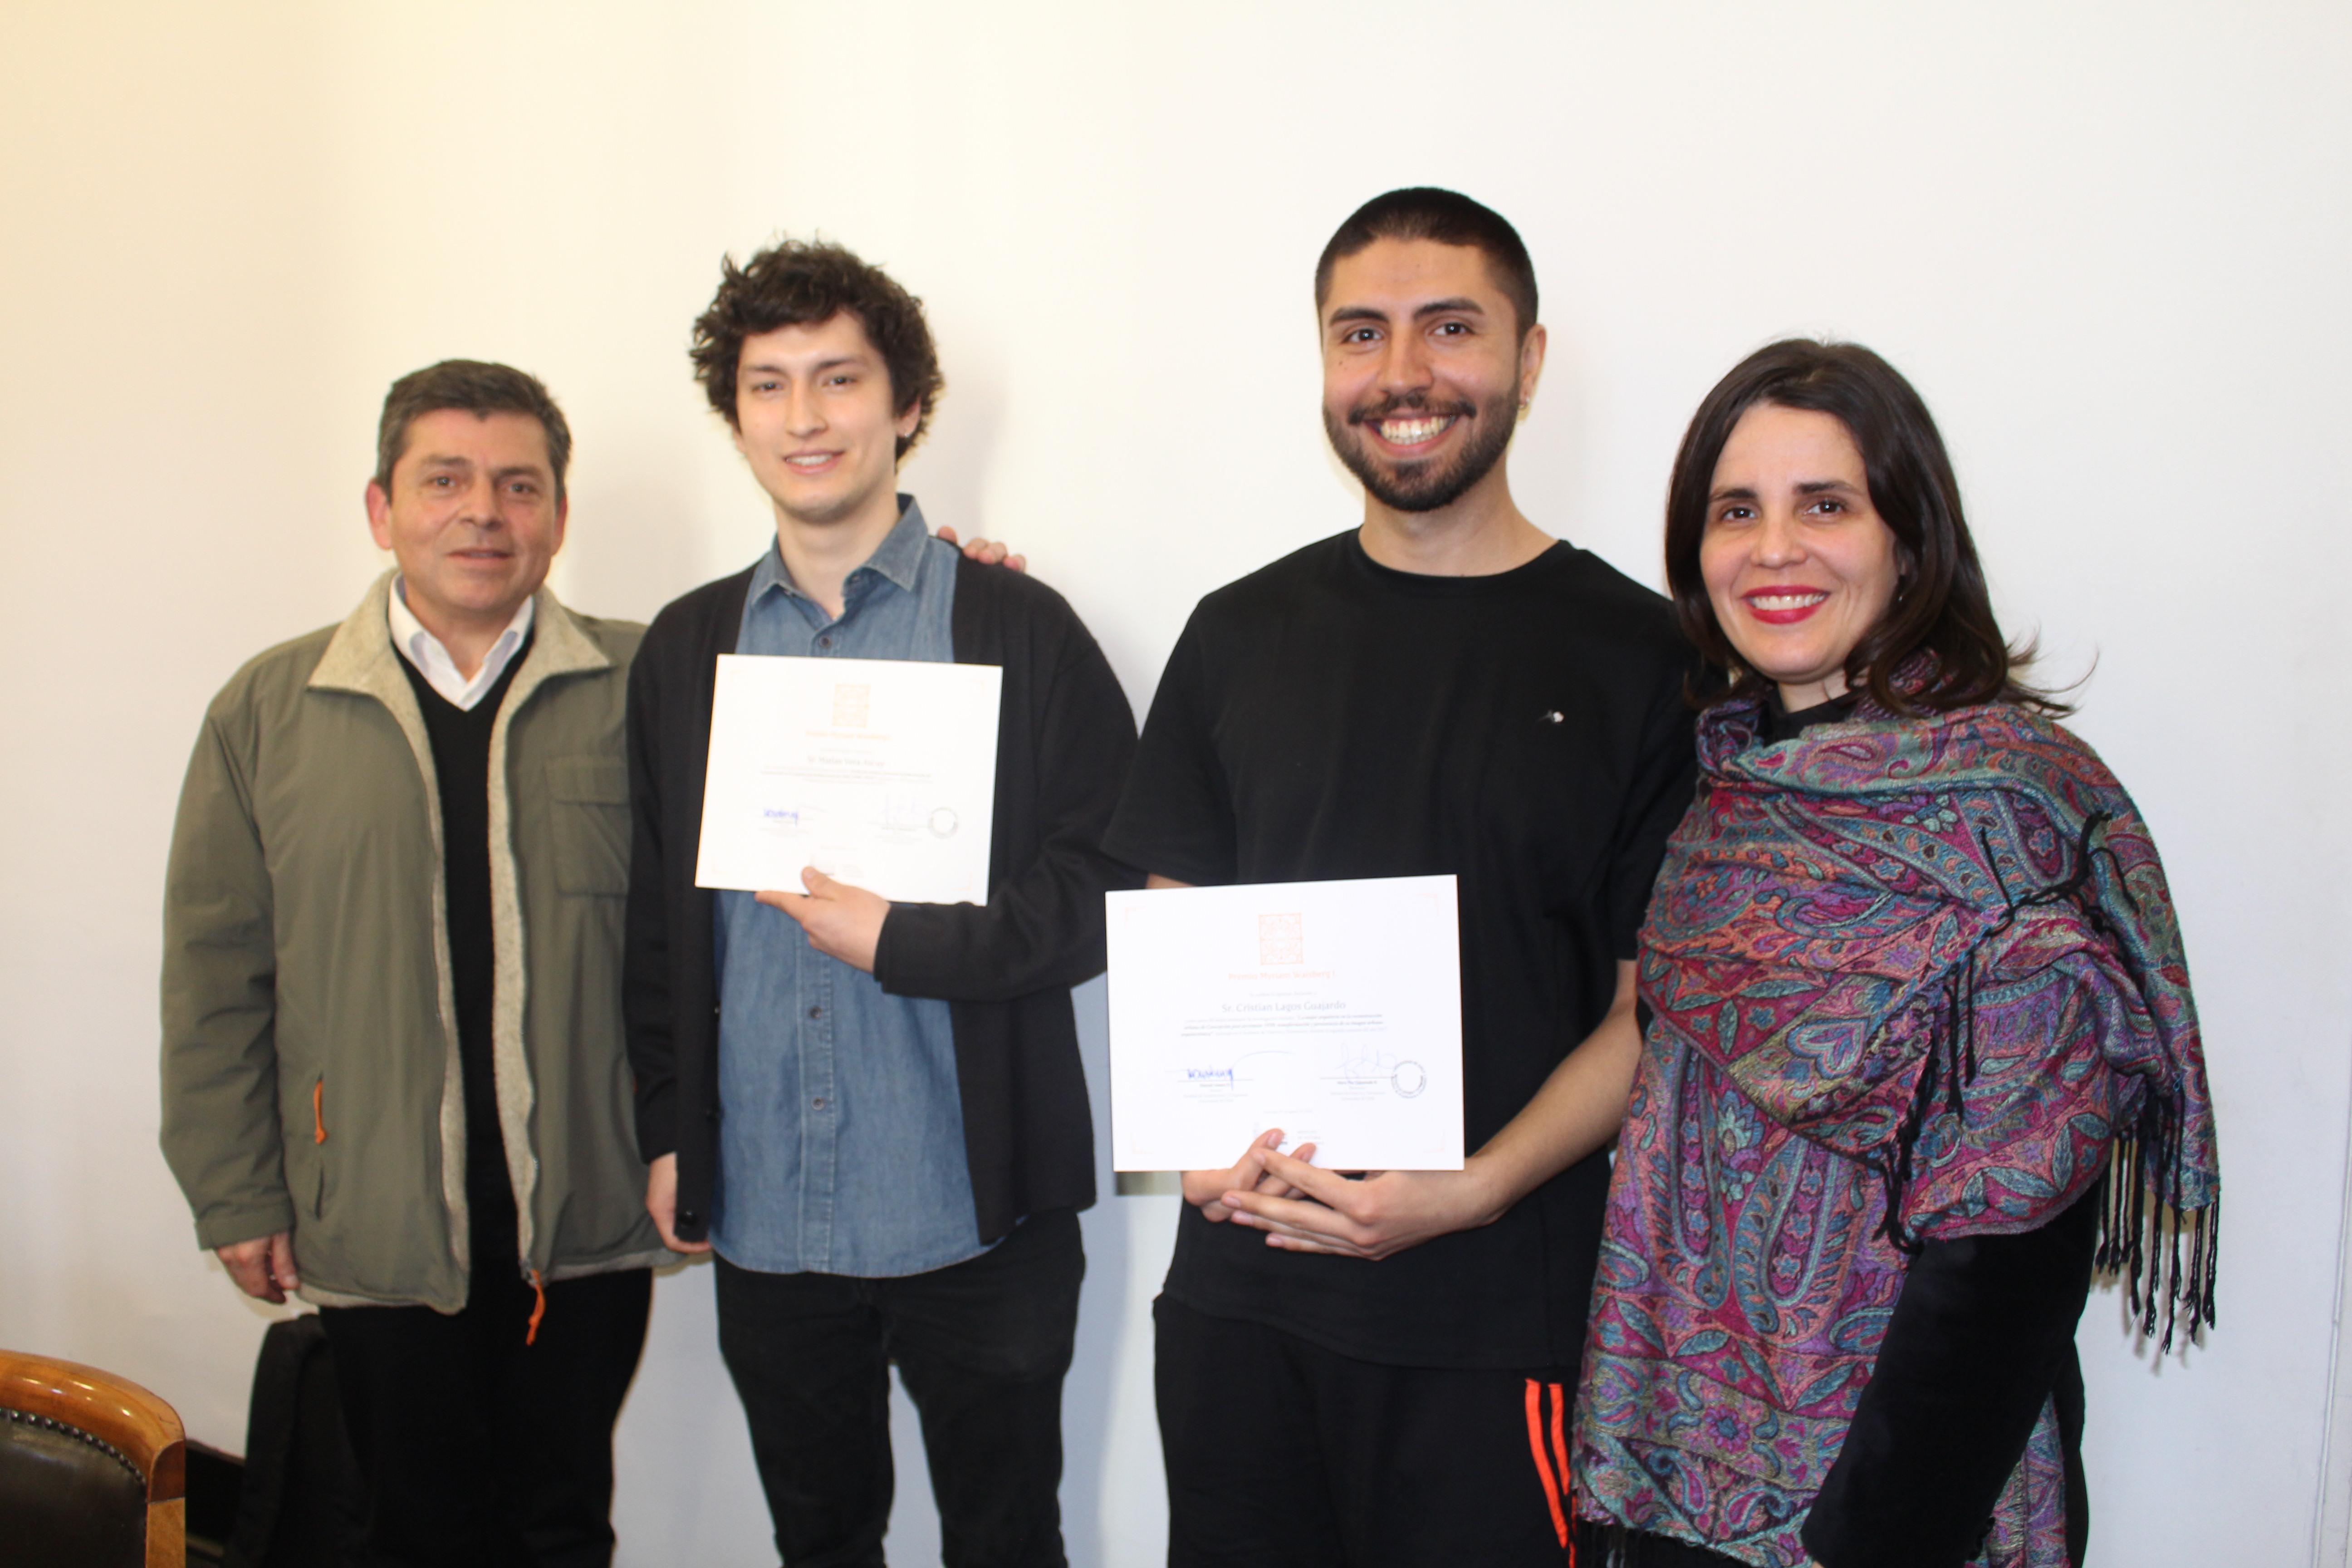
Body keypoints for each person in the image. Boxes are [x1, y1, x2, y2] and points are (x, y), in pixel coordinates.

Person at [1101, 188, 1699, 1567]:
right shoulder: (1238, 634)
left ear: (1529, 362)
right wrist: (1202, 1147)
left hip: (1496, 1321)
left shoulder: (1638, 656)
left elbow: (1647, 1011)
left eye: (1451, 329)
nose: (1404, 375)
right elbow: (1179, 940)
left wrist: (1474, 1189)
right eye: (1360, 334)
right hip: (1243, 1312)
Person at [1570, 340, 2221, 1568]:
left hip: (1891, 1508)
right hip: (1668, 1473)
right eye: (1736, 512)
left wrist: (1874, 1536)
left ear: (1910, 540)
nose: (1774, 550)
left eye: (1827, 505)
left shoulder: (2006, 817)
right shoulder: (1724, 799)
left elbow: (2008, 1260)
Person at [622, 238, 1137, 1568]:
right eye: (769, 385)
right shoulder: (686, 649)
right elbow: (655, 923)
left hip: (977, 1210)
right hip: (770, 1215)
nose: (807, 417)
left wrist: (907, 941)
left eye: (840, 379)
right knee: (821, 1539)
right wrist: (672, 1123)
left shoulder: (1018, 628)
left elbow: (1103, 887)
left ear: (907, 407)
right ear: (734, 416)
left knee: (1008, 1536)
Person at [159, 360, 669, 1568]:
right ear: (382, 510)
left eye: (519, 484)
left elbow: (818, 766)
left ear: (557, 512)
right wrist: (235, 1191)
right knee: (413, 1529)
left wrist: (962, 586)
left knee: (560, 1524)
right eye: (445, 481)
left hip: (586, 1213)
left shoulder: (649, 685)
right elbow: (214, 972)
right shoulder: (271, 711)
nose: (483, 511)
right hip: (371, 1207)